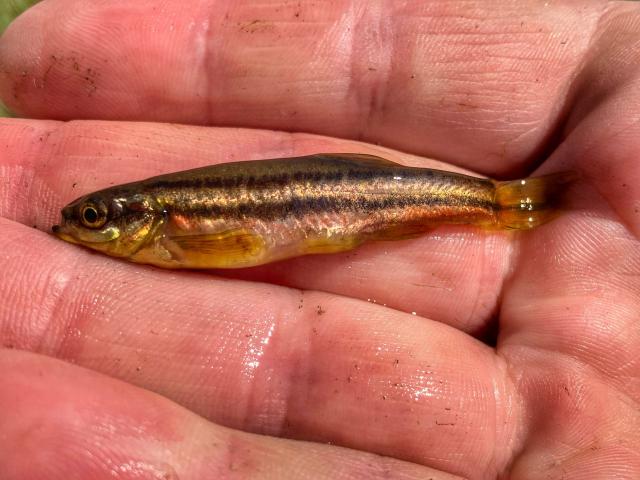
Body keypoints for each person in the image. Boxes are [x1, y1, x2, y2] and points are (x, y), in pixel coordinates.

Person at [0, 1, 638, 478]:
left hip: (344, 199)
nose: (89, 228)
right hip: (335, 202)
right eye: (91, 219)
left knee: (412, 204)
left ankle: (499, 205)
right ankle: (496, 206)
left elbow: (237, 246)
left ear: (141, 215)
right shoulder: (162, 217)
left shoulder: (166, 218)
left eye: (95, 218)